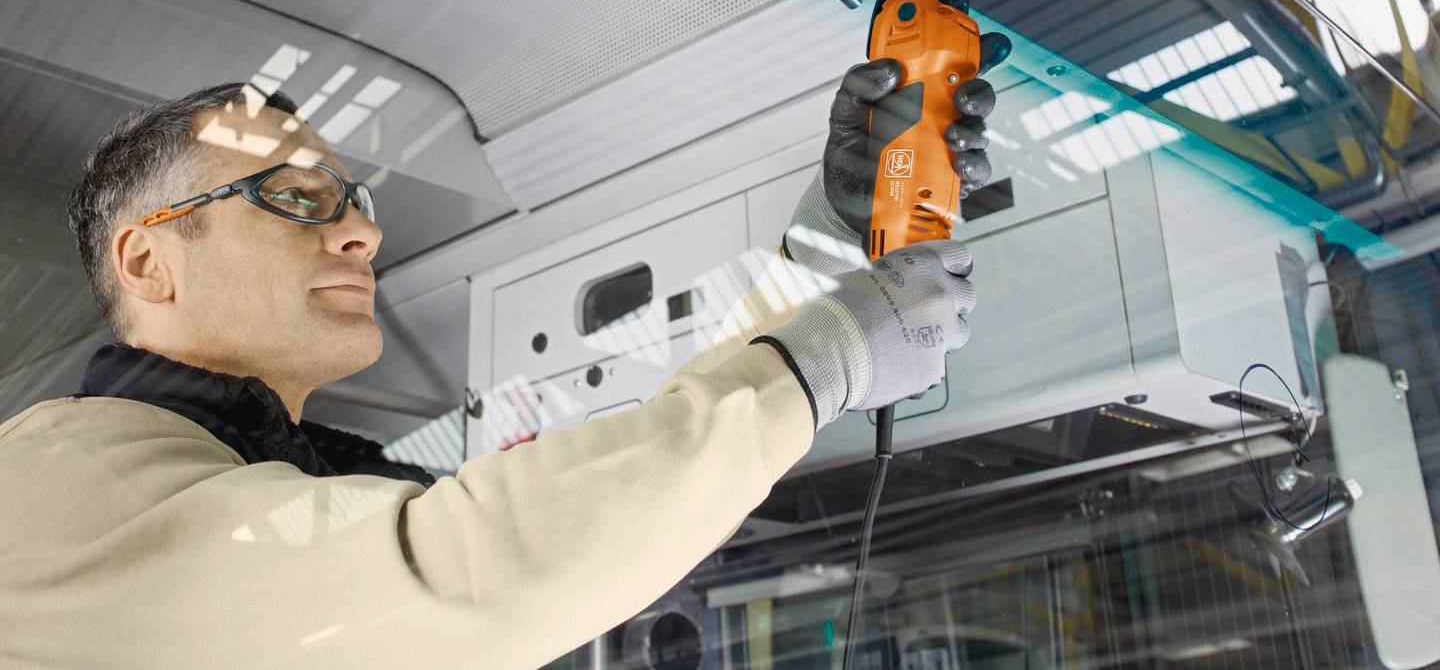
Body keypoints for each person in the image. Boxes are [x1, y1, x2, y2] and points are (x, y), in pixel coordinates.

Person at [0, 39, 1006, 668]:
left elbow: (544, 520)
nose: (361, 234)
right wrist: (825, 355)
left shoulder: (296, 477)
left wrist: (828, 251)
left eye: (356, 203)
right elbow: (467, 572)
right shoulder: (43, 488)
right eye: (299, 199)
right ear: (148, 260)